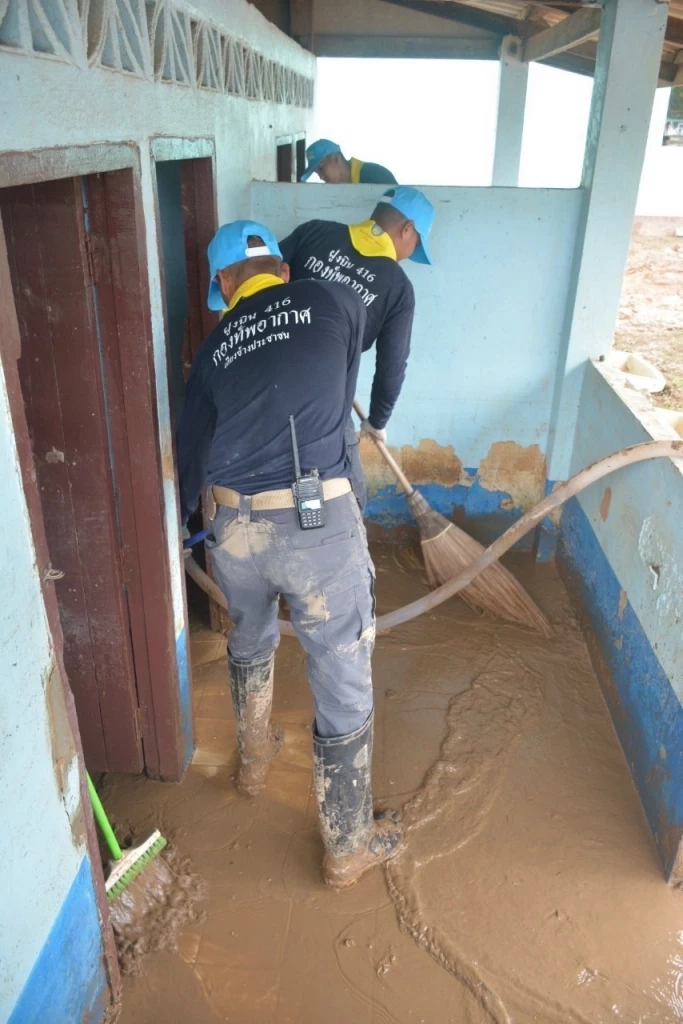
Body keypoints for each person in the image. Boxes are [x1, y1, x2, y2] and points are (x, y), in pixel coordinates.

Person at [176, 220, 402, 889]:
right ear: (281, 269)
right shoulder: (332, 300)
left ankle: (252, 765)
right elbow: (341, 408)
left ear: (223, 285)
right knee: (340, 670)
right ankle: (346, 846)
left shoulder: (210, 352)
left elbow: (188, 463)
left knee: (249, 640)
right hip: (316, 521)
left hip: (234, 532)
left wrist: (185, 531)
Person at [279, 186, 435, 510]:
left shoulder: (314, 232)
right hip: (325, 408)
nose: (409, 254)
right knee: (350, 496)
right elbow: (392, 367)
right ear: (407, 229)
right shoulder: (398, 289)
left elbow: (261, 277)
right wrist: (377, 421)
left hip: (264, 386)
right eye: (416, 244)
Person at [300, 139, 397, 185]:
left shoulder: (375, 175)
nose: (321, 177)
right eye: (317, 173)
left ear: (336, 158)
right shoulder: (334, 193)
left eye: (321, 169)